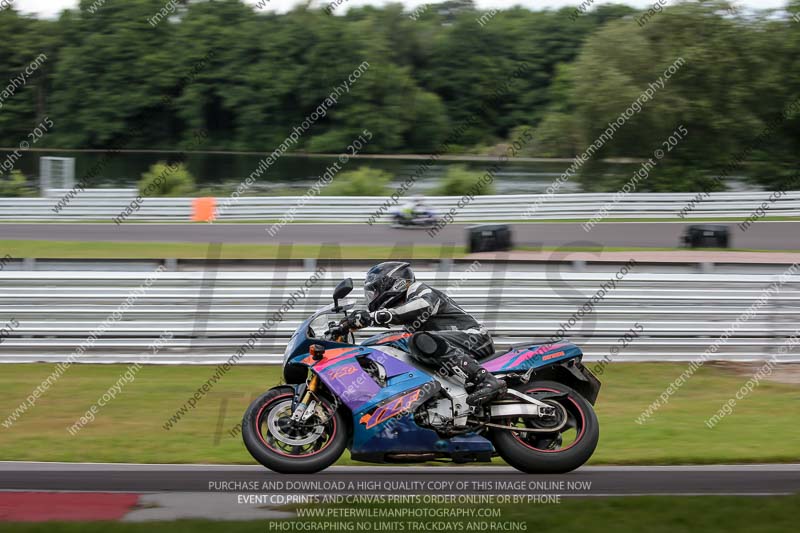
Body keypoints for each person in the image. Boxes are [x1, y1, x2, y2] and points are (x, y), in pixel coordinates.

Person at [345, 261, 506, 405]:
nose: (373, 297)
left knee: (418, 340)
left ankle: (487, 380)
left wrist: (375, 317)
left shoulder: (419, 290)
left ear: (393, 283)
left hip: (474, 338)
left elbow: (422, 306)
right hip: (453, 344)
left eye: (374, 291)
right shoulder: (409, 319)